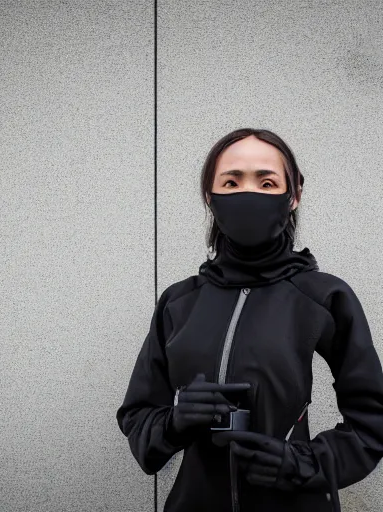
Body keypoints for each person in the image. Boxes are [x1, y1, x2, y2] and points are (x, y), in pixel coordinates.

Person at [115, 128, 383, 512]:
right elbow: (138, 416)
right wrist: (174, 422)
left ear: (294, 196)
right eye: (232, 180)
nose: (249, 192)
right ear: (210, 195)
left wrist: (303, 463)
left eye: (267, 180)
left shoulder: (324, 297)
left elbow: (372, 422)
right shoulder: (179, 302)